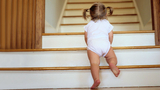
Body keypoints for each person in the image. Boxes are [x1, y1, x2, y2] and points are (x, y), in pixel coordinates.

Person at [83, 3, 120, 89]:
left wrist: (89, 44)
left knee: (94, 63)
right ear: (106, 14)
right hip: (105, 44)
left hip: (93, 46)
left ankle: (96, 79)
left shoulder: (89, 25)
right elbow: (111, 35)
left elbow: (86, 36)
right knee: (111, 57)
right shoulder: (107, 23)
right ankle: (112, 64)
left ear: (90, 14)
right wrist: (109, 44)